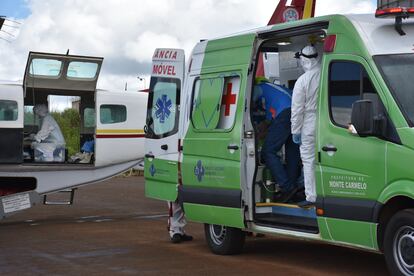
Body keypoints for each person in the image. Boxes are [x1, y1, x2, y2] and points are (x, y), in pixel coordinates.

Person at [254, 77, 301, 202]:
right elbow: (270, 119)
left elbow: (249, 103)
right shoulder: (275, 88)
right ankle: (293, 190)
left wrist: (261, 130)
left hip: (285, 113)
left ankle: (287, 187)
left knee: (268, 151)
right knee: (292, 153)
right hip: (299, 113)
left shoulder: (259, 87)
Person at [291, 45, 321, 207]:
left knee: (309, 161)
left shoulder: (303, 80)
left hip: (309, 124)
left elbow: (297, 110)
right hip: (325, 122)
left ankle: (311, 197)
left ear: (303, 60)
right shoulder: (325, 74)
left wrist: (295, 131)